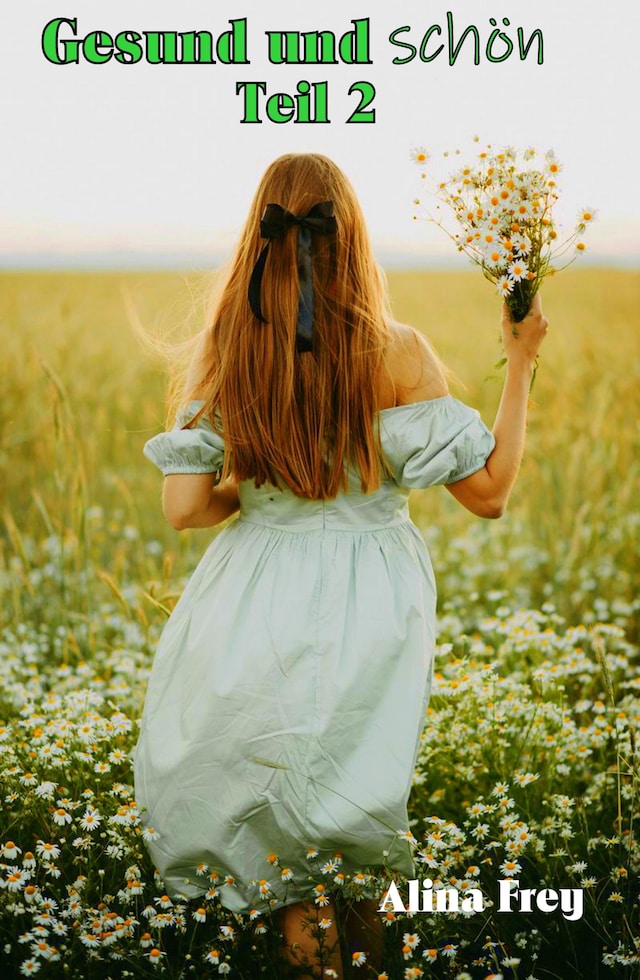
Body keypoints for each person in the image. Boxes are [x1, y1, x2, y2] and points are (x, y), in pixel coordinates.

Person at [133, 152, 548, 978]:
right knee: (354, 818)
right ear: (351, 237)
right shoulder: (397, 351)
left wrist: (256, 500)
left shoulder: (230, 344)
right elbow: (491, 492)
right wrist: (521, 359)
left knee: (289, 839)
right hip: (370, 602)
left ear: (261, 240)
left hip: (254, 593)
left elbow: (183, 507)